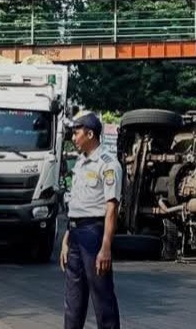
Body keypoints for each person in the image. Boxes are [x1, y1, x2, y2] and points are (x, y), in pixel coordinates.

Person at [62, 112, 122, 329]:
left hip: (93, 233)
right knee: (73, 300)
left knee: (102, 297)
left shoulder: (107, 165)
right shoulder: (80, 163)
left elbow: (112, 208)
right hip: (76, 233)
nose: (73, 137)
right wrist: (67, 238)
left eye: (76, 132)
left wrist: (105, 247)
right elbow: (77, 204)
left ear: (90, 133)